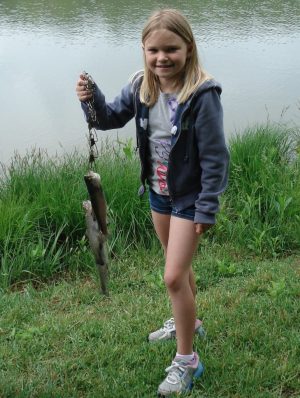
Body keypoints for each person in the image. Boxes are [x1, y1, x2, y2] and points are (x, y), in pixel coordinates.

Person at [76, 8, 229, 396]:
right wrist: (90, 98)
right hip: (159, 193)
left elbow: (215, 157)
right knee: (178, 267)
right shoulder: (142, 86)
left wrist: (208, 206)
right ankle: (188, 324)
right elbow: (108, 118)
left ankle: (187, 361)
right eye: (154, 50)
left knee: (173, 276)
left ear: (188, 48)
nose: (162, 58)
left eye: (171, 50)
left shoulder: (202, 94)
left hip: (191, 197)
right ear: (143, 50)